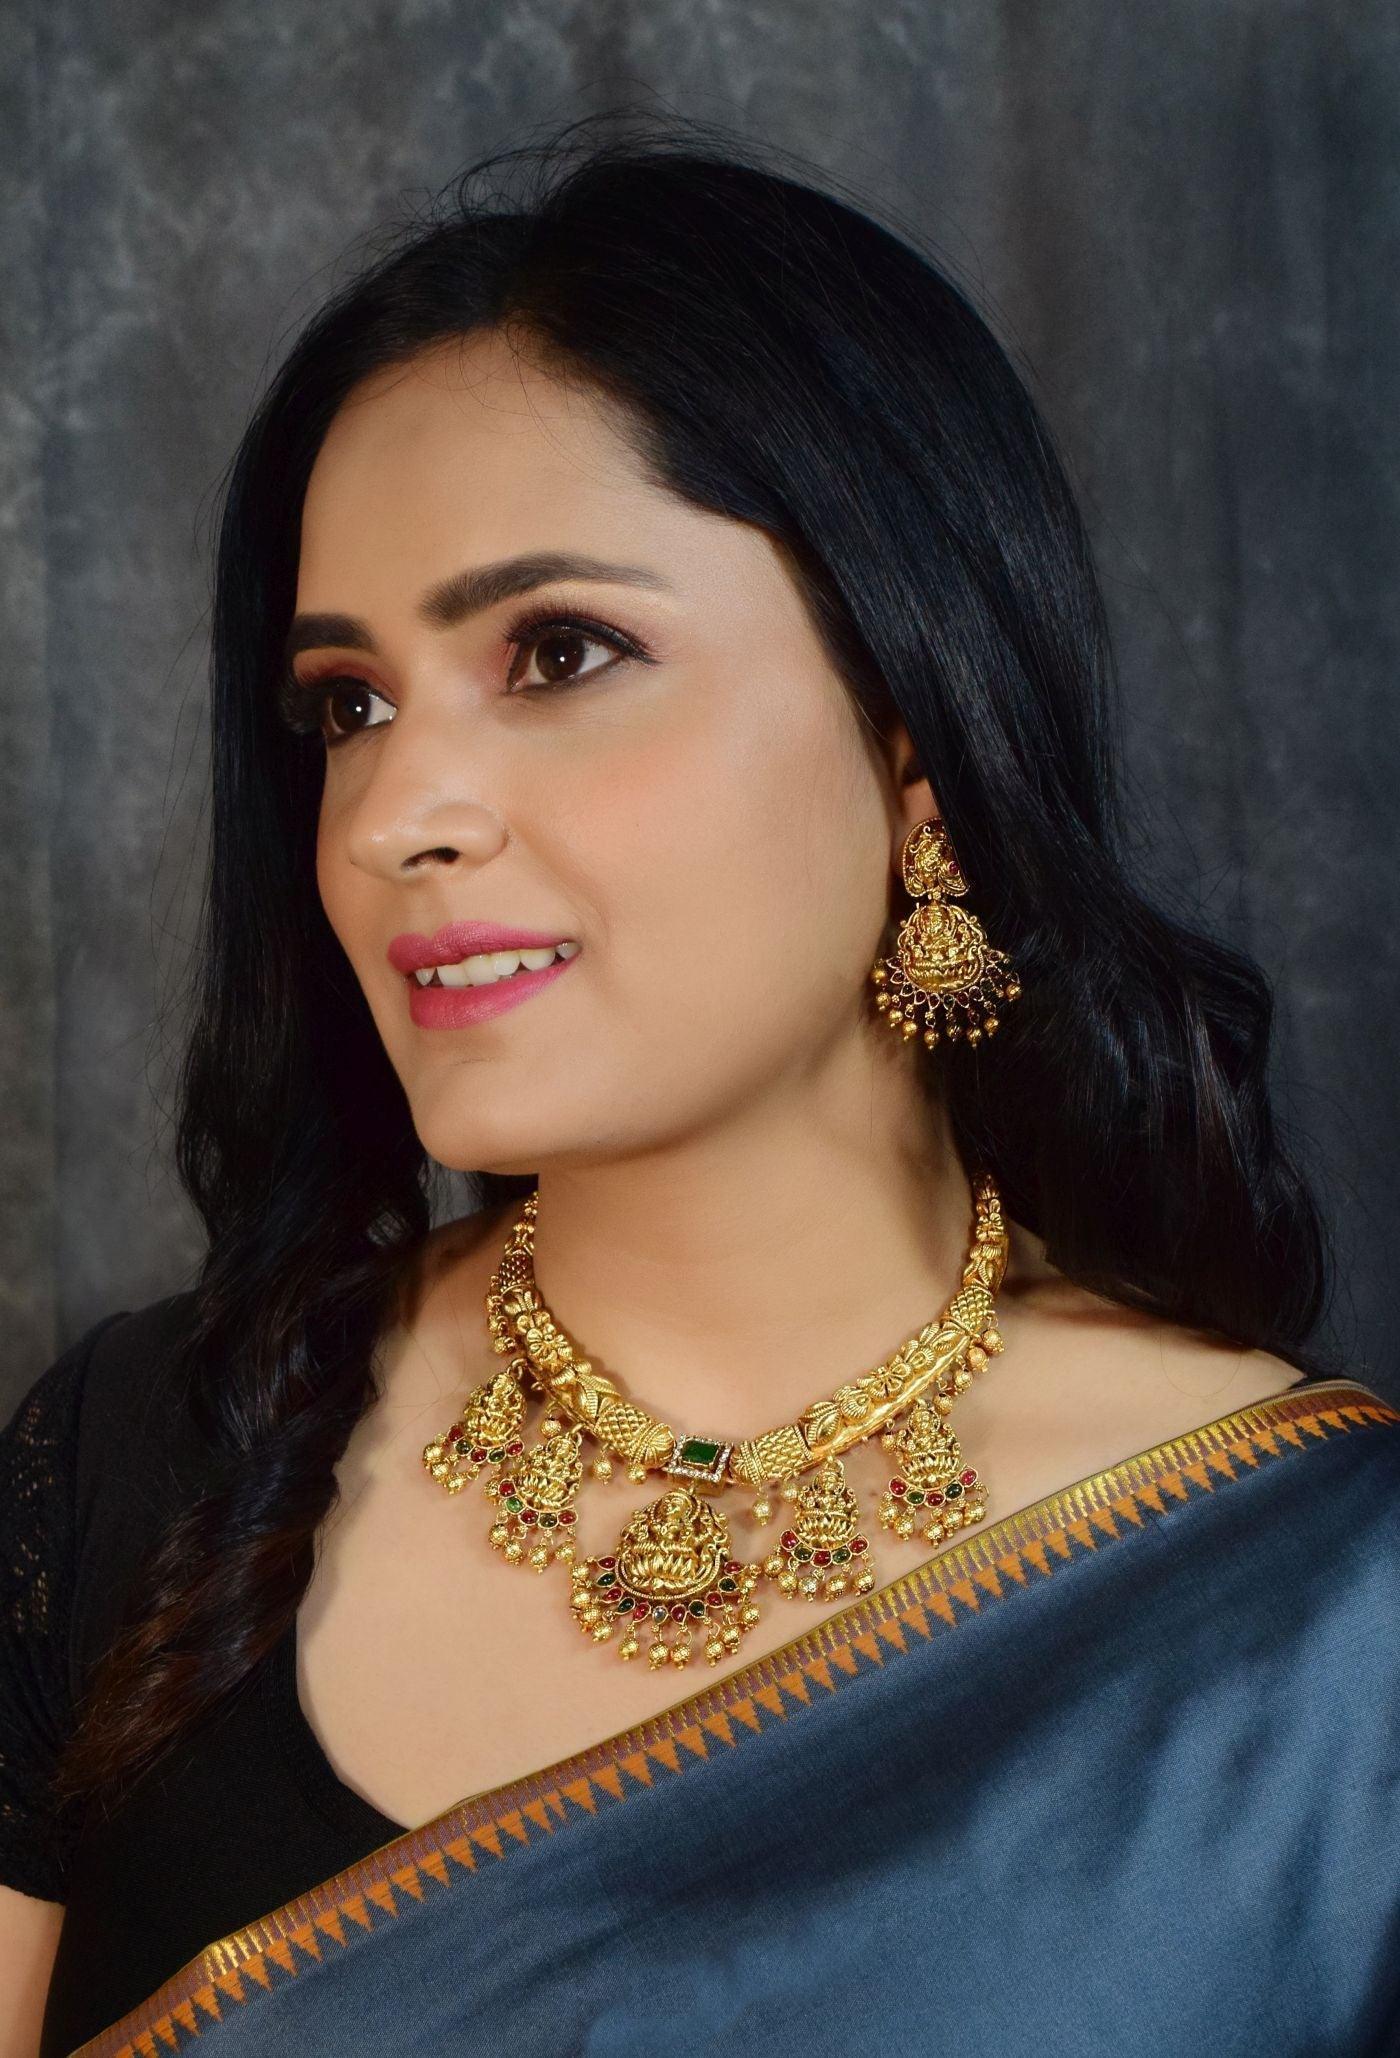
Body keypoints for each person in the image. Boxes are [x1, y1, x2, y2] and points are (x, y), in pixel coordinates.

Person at [2, 112, 1396, 2058]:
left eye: (560, 652)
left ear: (918, 746)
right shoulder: (151, 1467)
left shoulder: (1321, 1616)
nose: (396, 812)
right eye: (348, 705)